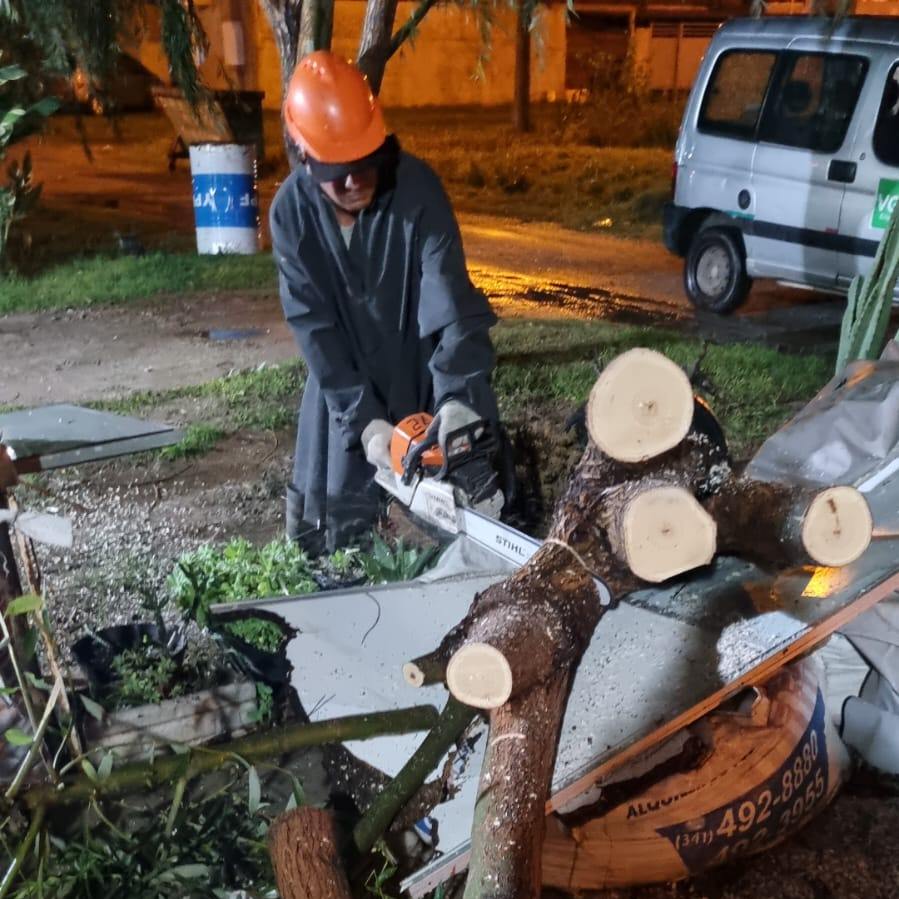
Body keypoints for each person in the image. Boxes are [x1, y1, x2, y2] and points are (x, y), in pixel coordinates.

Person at [270, 51, 501, 552]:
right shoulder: (290, 214)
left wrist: (457, 397)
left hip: (424, 370)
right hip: (345, 383)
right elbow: (313, 328)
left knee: (465, 513)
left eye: (363, 164)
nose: (354, 182)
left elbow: (451, 299)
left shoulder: (418, 190)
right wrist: (365, 425)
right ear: (304, 155)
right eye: (337, 171)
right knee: (338, 541)